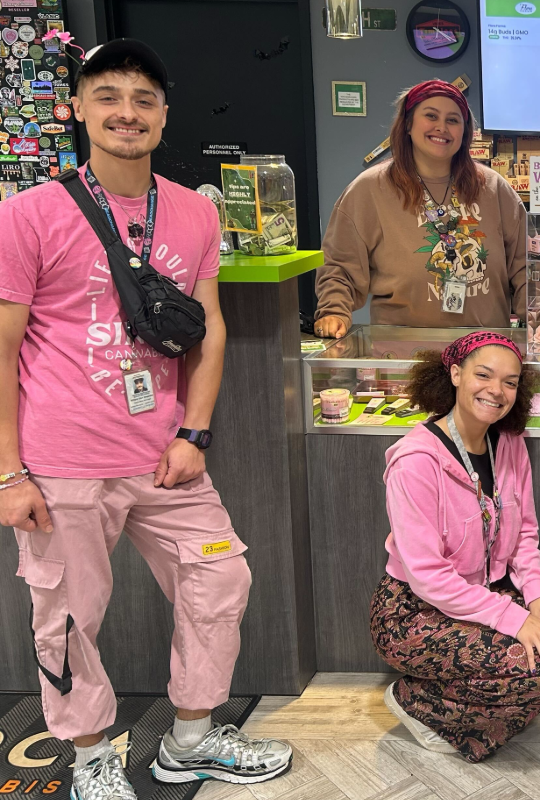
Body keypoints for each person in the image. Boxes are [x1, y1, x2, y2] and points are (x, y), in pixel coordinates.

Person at [0, 39, 292, 800]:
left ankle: (189, 741)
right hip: (61, 462)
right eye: (108, 97)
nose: (126, 112)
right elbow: (0, 349)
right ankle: (92, 757)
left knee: (221, 578)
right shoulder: (27, 215)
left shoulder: (194, 211)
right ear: (76, 110)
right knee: (67, 618)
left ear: (164, 115)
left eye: (142, 99)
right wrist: (8, 472)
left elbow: (212, 327)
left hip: (165, 455)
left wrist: (194, 432)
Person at [370, 331, 540, 762]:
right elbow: (427, 576)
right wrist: (514, 617)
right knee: (538, 670)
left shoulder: (508, 444)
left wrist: (539, 595)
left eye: (510, 382)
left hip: (485, 595)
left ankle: (438, 704)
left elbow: (524, 536)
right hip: (413, 611)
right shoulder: (415, 460)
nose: (497, 390)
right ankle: (416, 701)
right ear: (455, 374)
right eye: (484, 375)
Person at [314, 79, 540, 336]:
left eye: (453, 120)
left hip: (484, 355)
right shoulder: (370, 188)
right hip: (403, 354)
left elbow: (524, 263)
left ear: (465, 132)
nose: (442, 127)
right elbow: (340, 264)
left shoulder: (494, 188)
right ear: (407, 123)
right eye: (431, 116)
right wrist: (334, 310)